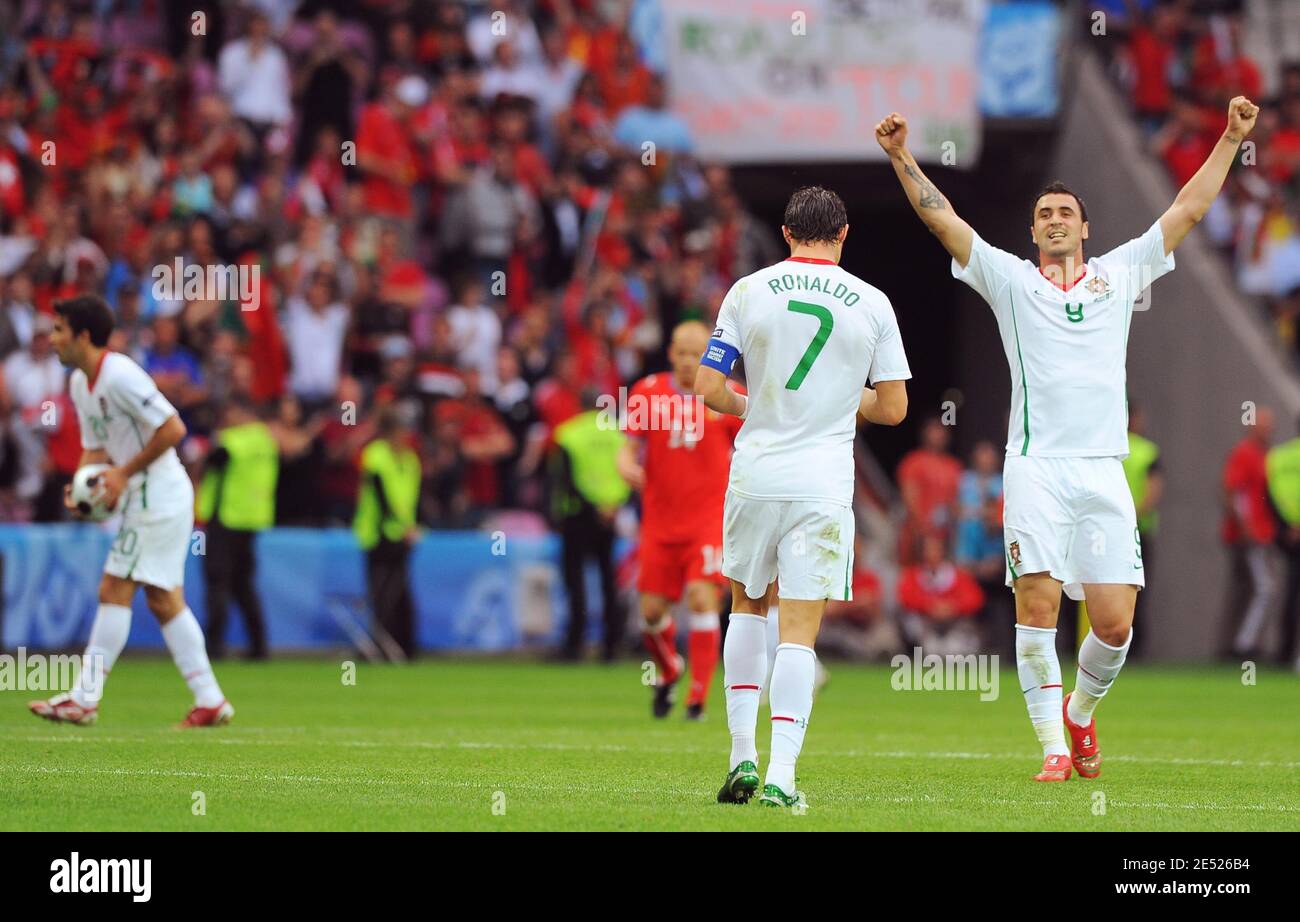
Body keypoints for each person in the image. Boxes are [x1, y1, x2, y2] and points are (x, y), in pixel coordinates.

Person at [877, 95, 1259, 781]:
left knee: (1114, 624)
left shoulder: (1118, 277)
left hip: (1102, 471)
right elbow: (945, 224)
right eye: (1045, 214)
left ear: (1085, 227)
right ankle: (1053, 746)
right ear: (1033, 233)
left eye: (1065, 214)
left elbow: (1188, 211)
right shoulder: (1012, 281)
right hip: (1035, 468)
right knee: (1038, 602)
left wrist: (1231, 139)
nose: (1055, 221)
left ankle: (1081, 714)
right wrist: (903, 156)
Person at [695, 185, 910, 809]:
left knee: (745, 607)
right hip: (821, 481)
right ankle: (783, 776)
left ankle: (741, 755)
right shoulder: (872, 302)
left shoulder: (748, 290)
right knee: (799, 633)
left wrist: (749, 405)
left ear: (786, 234)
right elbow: (893, 407)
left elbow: (710, 387)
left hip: (756, 471)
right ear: (843, 234)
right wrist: (852, 401)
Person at [29, 295, 233, 727]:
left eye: (60, 330)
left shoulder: (120, 374)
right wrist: (82, 488)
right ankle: (210, 698)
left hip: (158, 494)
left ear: (84, 336)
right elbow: (95, 446)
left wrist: (122, 475)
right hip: (148, 494)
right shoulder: (80, 384)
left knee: (114, 587)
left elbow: (173, 427)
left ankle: (85, 698)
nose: (53, 339)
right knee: (163, 600)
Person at [617, 320, 740, 720]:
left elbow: (756, 443)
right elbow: (628, 446)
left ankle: (697, 698)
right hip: (659, 524)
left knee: (703, 599)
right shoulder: (647, 392)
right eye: (682, 352)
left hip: (707, 521)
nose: (689, 361)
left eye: (697, 353)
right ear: (670, 353)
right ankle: (670, 667)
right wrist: (623, 464)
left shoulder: (728, 397)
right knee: (651, 614)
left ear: (710, 354)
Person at [550, 393, 630, 661]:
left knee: (575, 581)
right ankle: (612, 645)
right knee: (608, 580)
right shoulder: (617, 434)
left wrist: (590, 506)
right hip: (610, 514)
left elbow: (564, 479)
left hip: (578, 516)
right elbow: (629, 469)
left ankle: (575, 644)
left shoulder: (569, 433)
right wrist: (614, 504)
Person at [197, 398, 278, 660]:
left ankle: (214, 647)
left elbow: (209, 464)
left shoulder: (232, 441)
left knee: (218, 582)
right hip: (252, 520)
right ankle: (259, 646)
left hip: (225, 518)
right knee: (244, 585)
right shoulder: (265, 441)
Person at [354, 401, 422, 659]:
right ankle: (378, 645)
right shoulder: (376, 454)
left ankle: (404, 646)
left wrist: (412, 527)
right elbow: (381, 497)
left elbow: (412, 499)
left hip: (402, 535)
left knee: (400, 592)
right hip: (379, 533)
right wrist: (404, 528)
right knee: (382, 593)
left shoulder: (410, 459)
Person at [1222, 407, 1278, 658]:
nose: (1268, 430)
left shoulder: (1263, 454)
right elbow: (1233, 490)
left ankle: (1238, 642)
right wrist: (1246, 526)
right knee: (1263, 588)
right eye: (1263, 425)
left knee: (1247, 589)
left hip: (1259, 533)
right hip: (1248, 535)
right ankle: (1243, 645)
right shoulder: (1245, 453)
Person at [1122, 404, 1164, 658]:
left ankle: (1082, 645)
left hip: (1101, 533)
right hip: (1137, 532)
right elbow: (1153, 491)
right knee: (1136, 590)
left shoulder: (1105, 449)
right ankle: (1133, 649)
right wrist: (1132, 518)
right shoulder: (1147, 452)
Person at [1266, 418, 1300, 668]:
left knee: (1290, 593)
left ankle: (1286, 652)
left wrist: (1287, 525)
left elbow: (1270, 494)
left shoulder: (1278, 456)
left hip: (1287, 533)